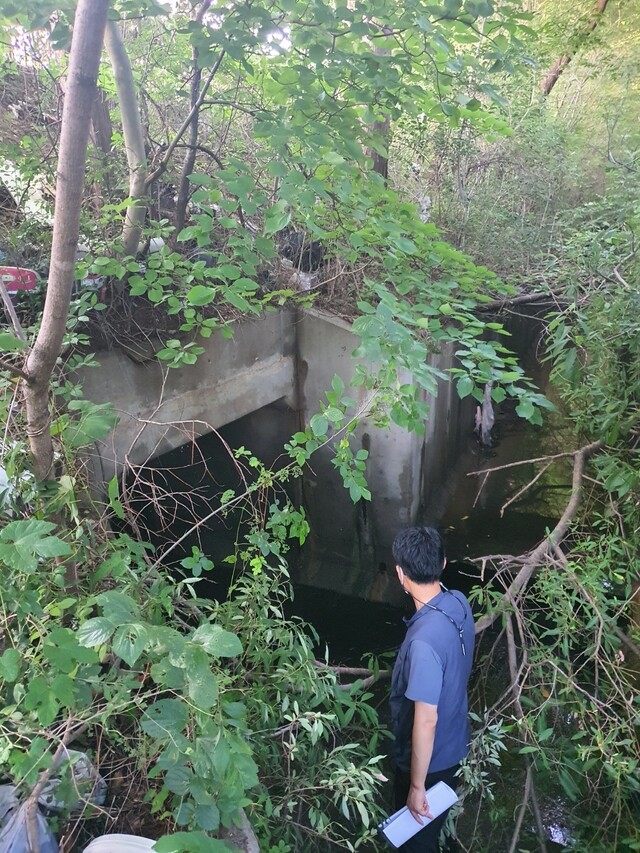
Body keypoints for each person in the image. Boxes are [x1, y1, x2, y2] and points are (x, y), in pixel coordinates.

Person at [389, 526, 475, 852]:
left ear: (400, 574)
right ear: (443, 564)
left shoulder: (423, 644)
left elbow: (426, 720)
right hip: (457, 743)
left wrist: (416, 786)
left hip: (432, 765)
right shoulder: (458, 602)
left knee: (414, 842)